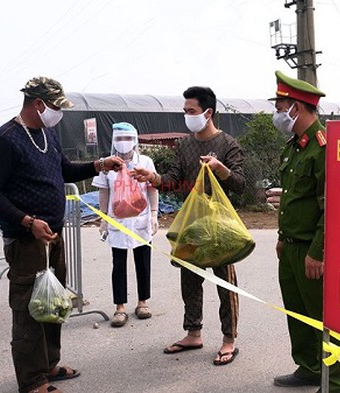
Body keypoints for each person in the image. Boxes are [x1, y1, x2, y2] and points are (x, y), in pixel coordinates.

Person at [0, 77, 124, 393]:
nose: (59, 112)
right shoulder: (6, 139)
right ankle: (32, 381)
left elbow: (65, 171)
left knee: (52, 304)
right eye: (56, 106)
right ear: (39, 104)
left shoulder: (47, 134)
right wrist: (27, 221)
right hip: (27, 239)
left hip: (52, 236)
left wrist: (100, 165)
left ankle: (49, 365)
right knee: (29, 309)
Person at [133, 86, 246, 366]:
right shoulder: (184, 145)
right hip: (191, 223)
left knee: (225, 283)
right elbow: (173, 179)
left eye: (191, 111)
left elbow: (242, 185)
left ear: (208, 113)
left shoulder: (228, 144)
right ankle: (193, 333)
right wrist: (154, 178)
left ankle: (229, 339)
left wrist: (221, 169)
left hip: (221, 227)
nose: (187, 116)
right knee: (190, 280)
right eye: (184, 111)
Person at [269, 71, 340, 393]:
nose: (277, 111)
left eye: (280, 105)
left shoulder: (323, 148)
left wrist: (319, 251)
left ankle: (335, 382)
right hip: (290, 247)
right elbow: (292, 199)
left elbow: (332, 208)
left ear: (297, 108)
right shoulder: (294, 148)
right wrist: (281, 236)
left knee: (325, 319)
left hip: (311, 250)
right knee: (298, 314)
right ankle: (309, 367)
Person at [92, 121, 159, 327]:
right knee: (118, 264)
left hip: (140, 219)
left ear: (135, 140)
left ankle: (143, 302)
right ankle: (119, 307)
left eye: (128, 138)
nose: (124, 143)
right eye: (119, 139)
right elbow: (104, 191)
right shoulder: (107, 165)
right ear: (113, 140)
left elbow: (152, 188)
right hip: (118, 220)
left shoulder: (145, 162)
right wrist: (103, 218)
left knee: (143, 261)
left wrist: (154, 214)